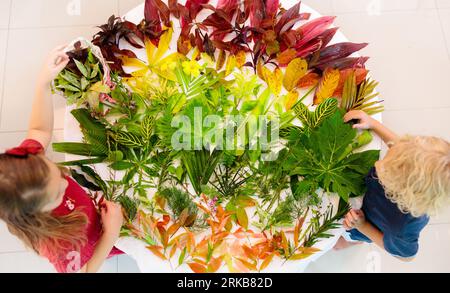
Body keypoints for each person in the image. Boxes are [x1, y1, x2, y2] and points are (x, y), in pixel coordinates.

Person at [0, 45, 124, 273]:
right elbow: (84, 271)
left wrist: (42, 83)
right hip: (101, 237)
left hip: (102, 208)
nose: (66, 183)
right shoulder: (56, 244)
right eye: (57, 193)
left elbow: (39, 131)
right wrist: (111, 234)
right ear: (38, 214)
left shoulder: (28, 168)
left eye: (57, 172)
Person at [334, 110, 450, 261]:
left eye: (386, 169)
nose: (378, 163)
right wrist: (373, 123)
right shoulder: (406, 160)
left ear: (402, 191)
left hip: (363, 223)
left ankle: (357, 241)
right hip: (366, 197)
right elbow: (399, 146)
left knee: (338, 243)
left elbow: (406, 257)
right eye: (391, 154)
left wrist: (362, 226)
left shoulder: (403, 226)